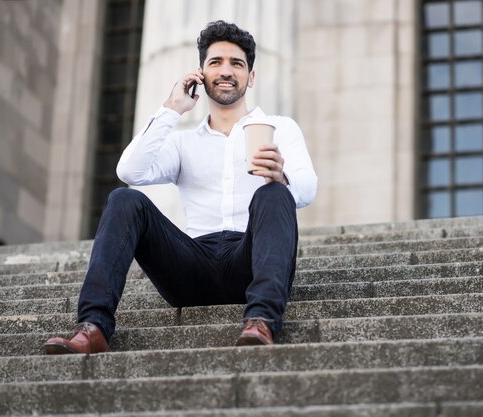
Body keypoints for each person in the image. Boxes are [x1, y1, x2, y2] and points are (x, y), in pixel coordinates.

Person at [43, 20, 317, 354]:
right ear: (201, 73)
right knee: (123, 199)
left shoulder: (280, 129)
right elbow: (130, 169)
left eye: (237, 64)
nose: (226, 71)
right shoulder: (182, 143)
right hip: (192, 266)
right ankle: (93, 327)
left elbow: (307, 188)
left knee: (273, 192)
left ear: (251, 76)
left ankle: (262, 321)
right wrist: (171, 109)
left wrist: (281, 177)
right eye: (215, 63)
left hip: (252, 260)